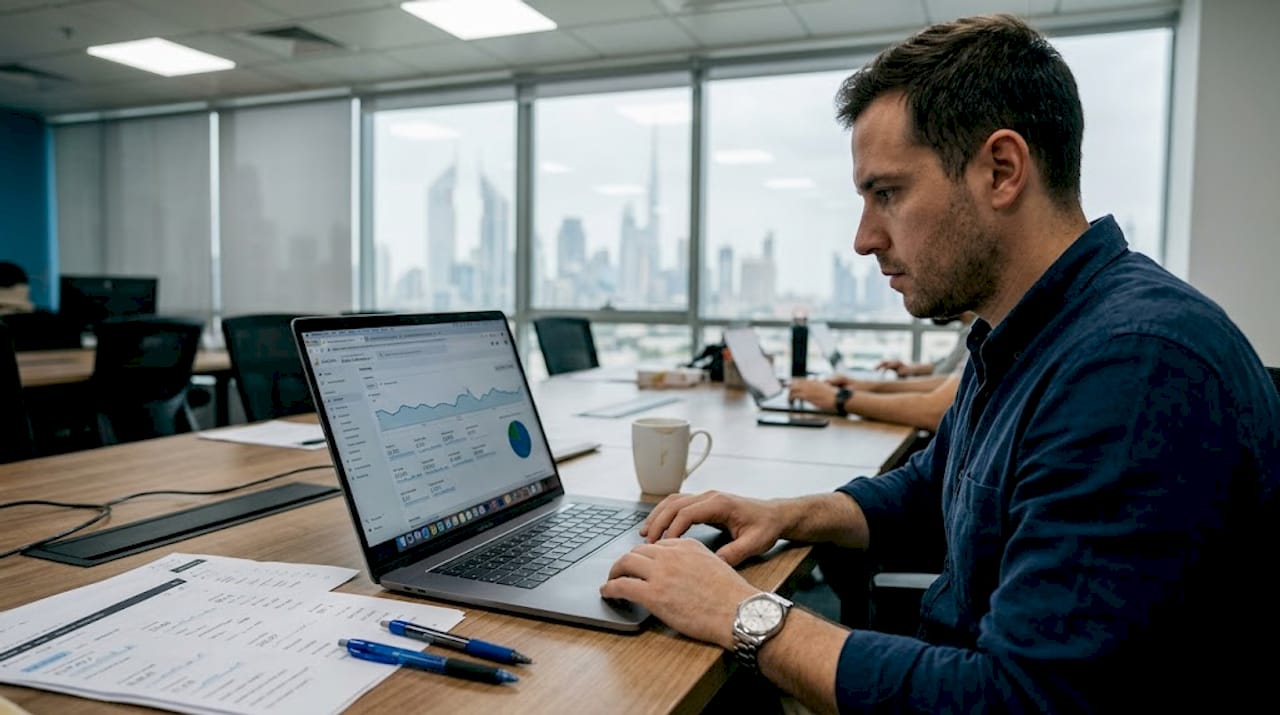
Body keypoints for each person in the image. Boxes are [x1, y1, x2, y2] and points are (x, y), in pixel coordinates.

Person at [602, 14, 1279, 713]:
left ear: (1001, 170)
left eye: (887, 193)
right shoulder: (1030, 332)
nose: (865, 238)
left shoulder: (1133, 367)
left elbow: (1015, 701)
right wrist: (783, 513)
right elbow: (936, 487)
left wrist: (743, 615)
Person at [875, 312, 976, 378]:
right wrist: (908, 368)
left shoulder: (974, 331)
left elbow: (946, 372)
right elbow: (949, 364)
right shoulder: (967, 328)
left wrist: (868, 388)